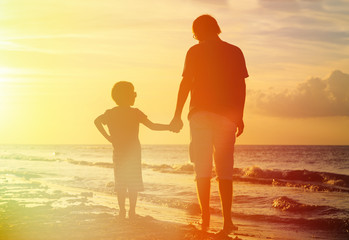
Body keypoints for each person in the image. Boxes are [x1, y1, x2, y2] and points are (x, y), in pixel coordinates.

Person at [170, 15, 248, 235]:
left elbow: (186, 83)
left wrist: (177, 114)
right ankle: (227, 222)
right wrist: (239, 116)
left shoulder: (194, 51)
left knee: (201, 167)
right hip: (226, 117)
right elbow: (240, 87)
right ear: (216, 28)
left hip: (200, 115)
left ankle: (205, 218)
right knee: (225, 170)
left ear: (197, 31)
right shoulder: (235, 51)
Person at [95, 81, 173, 220]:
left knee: (121, 182)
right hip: (133, 153)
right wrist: (169, 127)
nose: (135, 96)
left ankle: (122, 211)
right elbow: (152, 126)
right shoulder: (135, 112)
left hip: (119, 152)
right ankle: (131, 211)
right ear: (127, 96)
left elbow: (97, 121)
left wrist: (109, 137)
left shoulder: (111, 113)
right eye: (133, 93)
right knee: (133, 183)